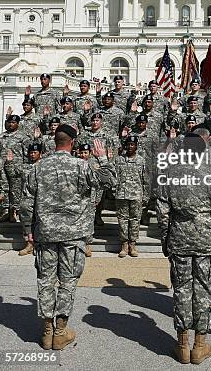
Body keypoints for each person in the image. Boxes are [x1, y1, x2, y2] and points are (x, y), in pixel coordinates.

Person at [20, 125, 116, 351]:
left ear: (55, 142)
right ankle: (60, 331)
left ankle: (47, 332)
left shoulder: (38, 167)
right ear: (72, 143)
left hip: (45, 233)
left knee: (46, 280)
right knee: (68, 281)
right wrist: (102, 159)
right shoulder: (81, 166)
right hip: (73, 235)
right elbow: (109, 181)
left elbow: (26, 203)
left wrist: (27, 229)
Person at [156, 132, 211, 364]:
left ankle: (182, 344)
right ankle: (199, 345)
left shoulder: (170, 173)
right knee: (204, 291)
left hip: (179, 238)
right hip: (206, 239)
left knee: (182, 290)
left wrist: (166, 239)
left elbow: (162, 212)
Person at [114, 135, 147, 258]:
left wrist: (146, 196)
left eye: (132, 144)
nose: (130, 147)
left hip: (136, 194)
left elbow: (145, 179)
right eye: (128, 144)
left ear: (136, 146)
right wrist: (114, 191)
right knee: (122, 220)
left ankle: (132, 244)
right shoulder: (119, 160)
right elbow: (114, 176)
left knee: (135, 220)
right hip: (121, 194)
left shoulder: (141, 160)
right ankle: (124, 244)